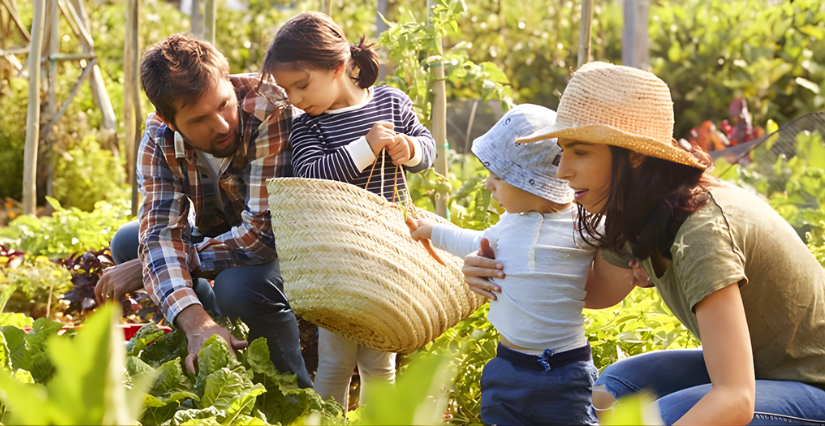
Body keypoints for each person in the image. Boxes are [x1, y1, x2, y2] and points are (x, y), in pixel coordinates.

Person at [467, 61, 825, 425]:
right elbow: (593, 293)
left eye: (580, 151)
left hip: (813, 387)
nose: (562, 172)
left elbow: (735, 397)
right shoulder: (641, 208)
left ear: (635, 155)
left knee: (656, 419)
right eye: (563, 152)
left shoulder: (701, 228)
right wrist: (501, 266)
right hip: (762, 371)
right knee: (613, 391)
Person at [93, 34, 313, 388]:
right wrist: (195, 320)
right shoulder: (158, 139)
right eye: (199, 119)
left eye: (224, 104)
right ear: (168, 120)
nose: (222, 125)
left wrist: (162, 264)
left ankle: (295, 392)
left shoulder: (268, 109)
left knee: (238, 286)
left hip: (284, 245)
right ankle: (214, 350)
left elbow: (260, 237)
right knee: (129, 241)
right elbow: (160, 232)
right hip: (226, 234)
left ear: (230, 85)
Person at [260, 12, 436, 408]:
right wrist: (365, 147)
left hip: (387, 253)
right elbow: (309, 174)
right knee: (336, 360)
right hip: (337, 260)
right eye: (288, 91)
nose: (296, 99)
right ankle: (327, 418)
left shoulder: (391, 102)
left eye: (302, 85)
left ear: (338, 66)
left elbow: (428, 148)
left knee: (380, 359)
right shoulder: (308, 127)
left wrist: (410, 150)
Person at [410, 104, 600, 425]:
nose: (488, 185)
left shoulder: (585, 225)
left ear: (530, 183)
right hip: (508, 365)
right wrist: (430, 230)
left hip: (567, 370)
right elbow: (470, 241)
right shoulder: (508, 225)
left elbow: (625, 240)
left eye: (497, 177)